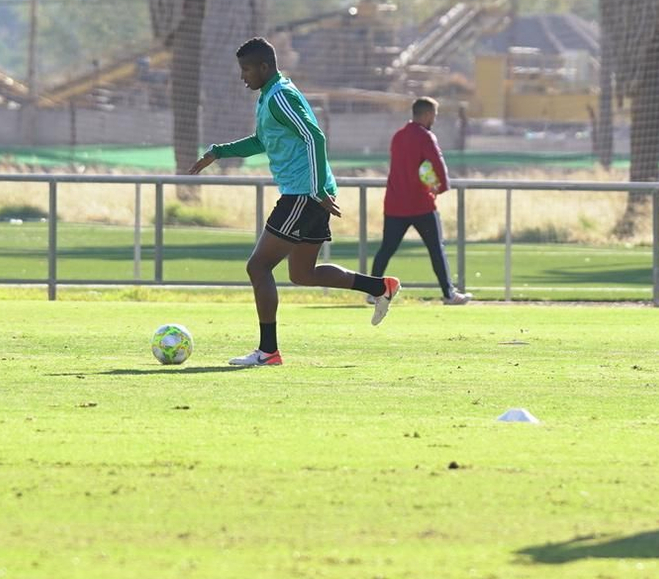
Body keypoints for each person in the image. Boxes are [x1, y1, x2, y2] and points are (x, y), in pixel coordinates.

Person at [188, 37, 400, 366]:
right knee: (302, 273)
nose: (242, 76)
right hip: (308, 193)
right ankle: (379, 286)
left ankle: (268, 351)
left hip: (304, 194)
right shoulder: (269, 96)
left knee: (258, 267)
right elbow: (263, 140)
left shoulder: (281, 96)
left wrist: (316, 189)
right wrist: (219, 151)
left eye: (246, 69)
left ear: (264, 67)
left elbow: (314, 136)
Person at [371, 97, 472, 306]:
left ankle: (372, 292)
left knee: (386, 249)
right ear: (426, 115)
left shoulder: (398, 136)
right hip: (421, 205)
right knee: (436, 249)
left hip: (395, 204)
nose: (434, 119)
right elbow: (437, 162)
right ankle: (448, 294)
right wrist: (442, 187)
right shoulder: (426, 137)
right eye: (434, 115)